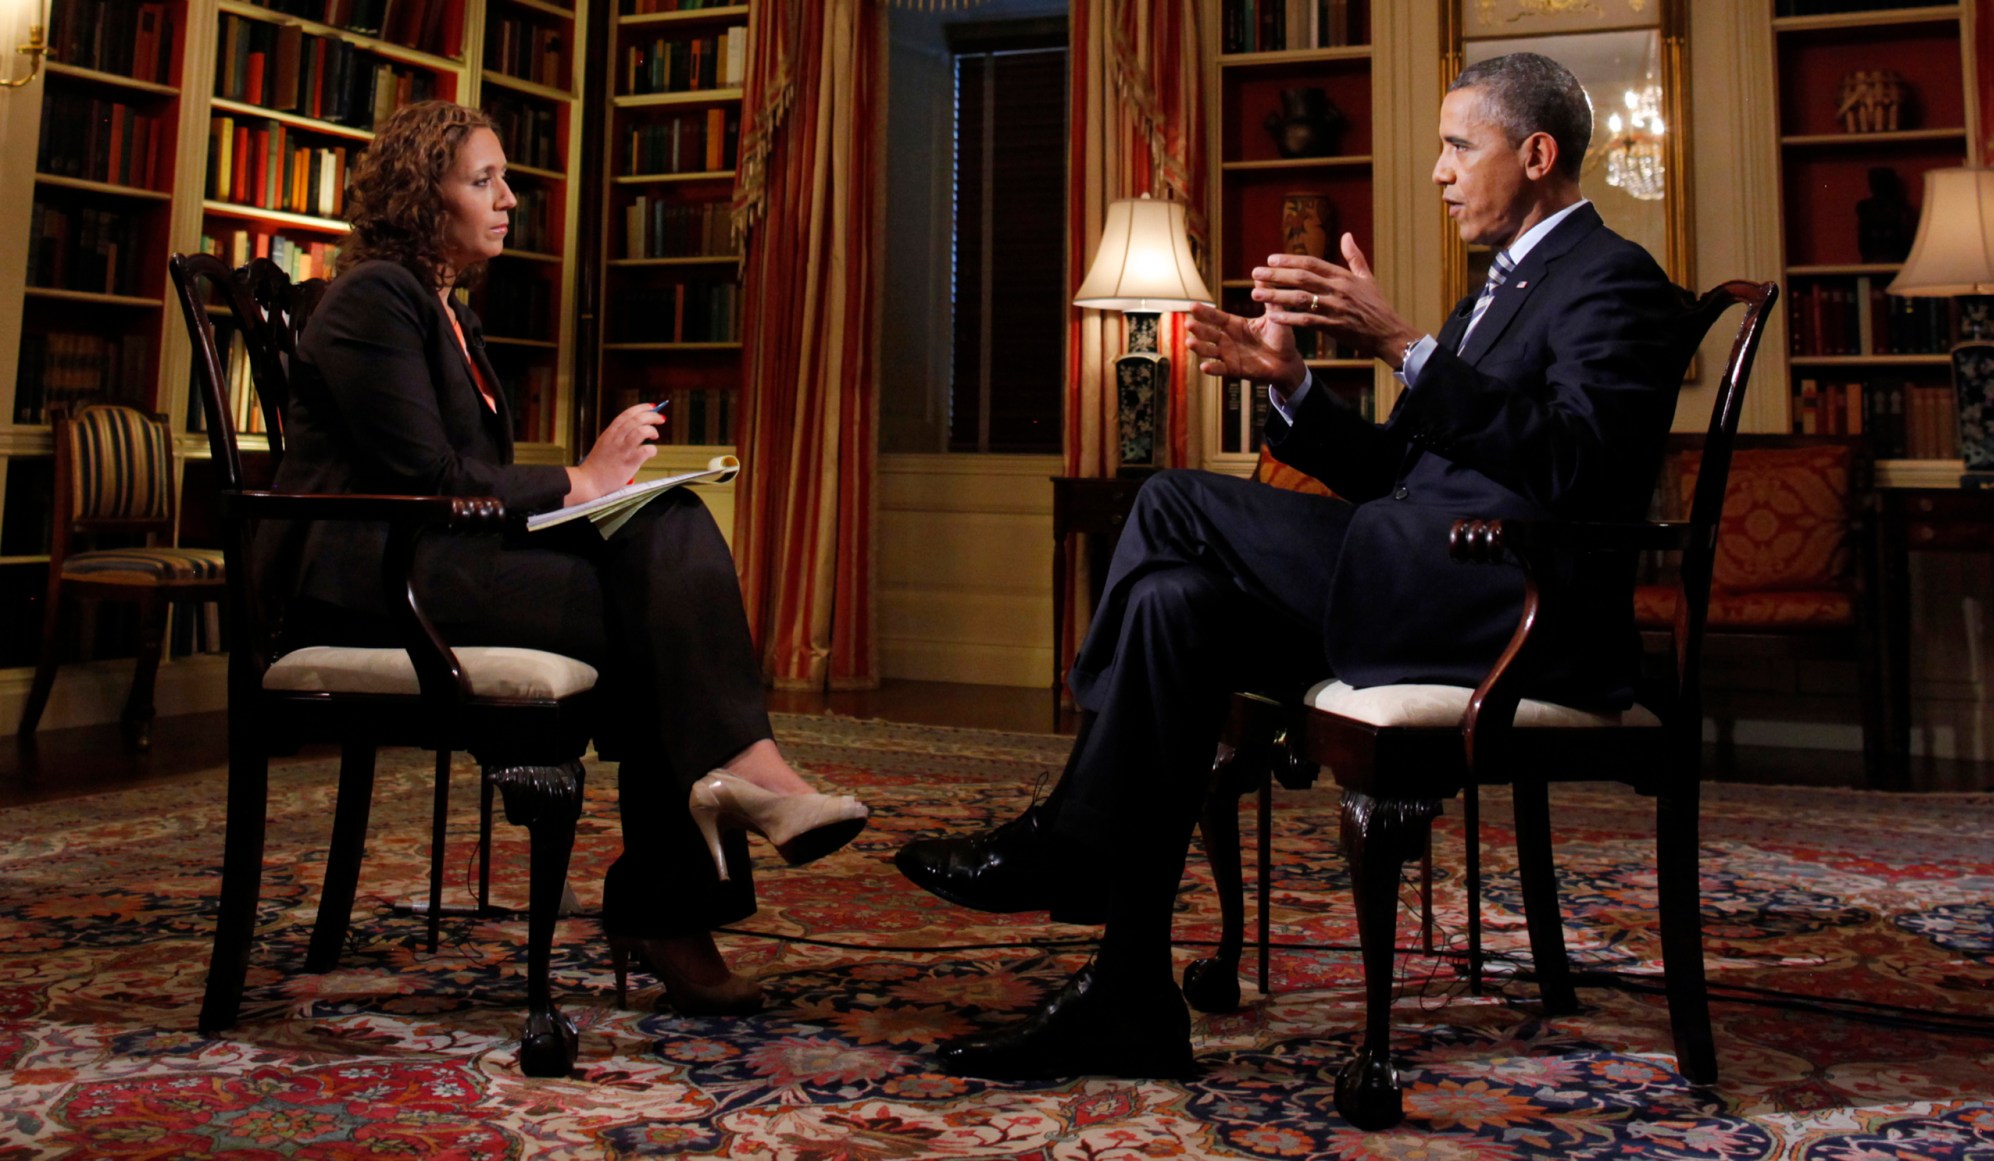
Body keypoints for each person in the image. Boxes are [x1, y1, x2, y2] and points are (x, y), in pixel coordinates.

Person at [895, 53, 1688, 1079]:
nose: (1439, 172)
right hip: (1417, 576)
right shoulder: (1497, 289)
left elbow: (1575, 464)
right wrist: (1296, 386)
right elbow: (1394, 466)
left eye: (1459, 146)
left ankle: (1074, 829)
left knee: (1171, 497)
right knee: (1173, 608)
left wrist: (1404, 345)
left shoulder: (1612, 279)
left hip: (1505, 610)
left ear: (1534, 155)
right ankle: (1126, 995)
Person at [258, 101, 869, 1016]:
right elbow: (426, 477)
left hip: (436, 559)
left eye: (505, 178)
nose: (508, 199)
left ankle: (737, 792)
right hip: (371, 580)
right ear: (424, 199)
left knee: (669, 524)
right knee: (653, 616)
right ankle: (693, 867)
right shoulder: (373, 298)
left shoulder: (447, 311)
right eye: (483, 181)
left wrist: (599, 483)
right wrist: (577, 480)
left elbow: (473, 477)